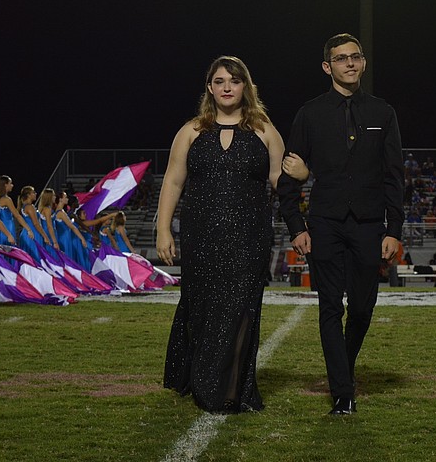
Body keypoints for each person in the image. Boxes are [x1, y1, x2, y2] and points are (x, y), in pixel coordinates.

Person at [277, 33, 405, 415]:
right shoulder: (310, 113)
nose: (349, 63)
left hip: (369, 224)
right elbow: (288, 175)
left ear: (363, 63)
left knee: (362, 309)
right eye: (340, 58)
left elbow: (394, 176)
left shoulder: (383, 112)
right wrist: (297, 226)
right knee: (330, 306)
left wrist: (394, 230)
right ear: (326, 66)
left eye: (355, 57)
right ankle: (342, 394)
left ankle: (343, 370)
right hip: (325, 224)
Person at [158, 55, 289, 414]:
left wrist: (300, 174)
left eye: (234, 80)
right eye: (219, 81)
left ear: (246, 86)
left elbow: (278, 179)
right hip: (200, 236)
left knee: (241, 308)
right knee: (201, 308)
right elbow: (173, 181)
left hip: (249, 237)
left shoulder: (264, 130)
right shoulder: (191, 131)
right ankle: (202, 379)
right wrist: (163, 229)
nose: (227, 87)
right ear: (209, 88)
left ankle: (229, 389)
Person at [16, 185, 50, 262]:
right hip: (33, 234)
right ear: (28, 195)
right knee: (35, 259)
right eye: (33, 192)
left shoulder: (24, 206)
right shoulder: (29, 207)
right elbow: (36, 224)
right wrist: (45, 236)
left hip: (26, 234)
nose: (35, 194)